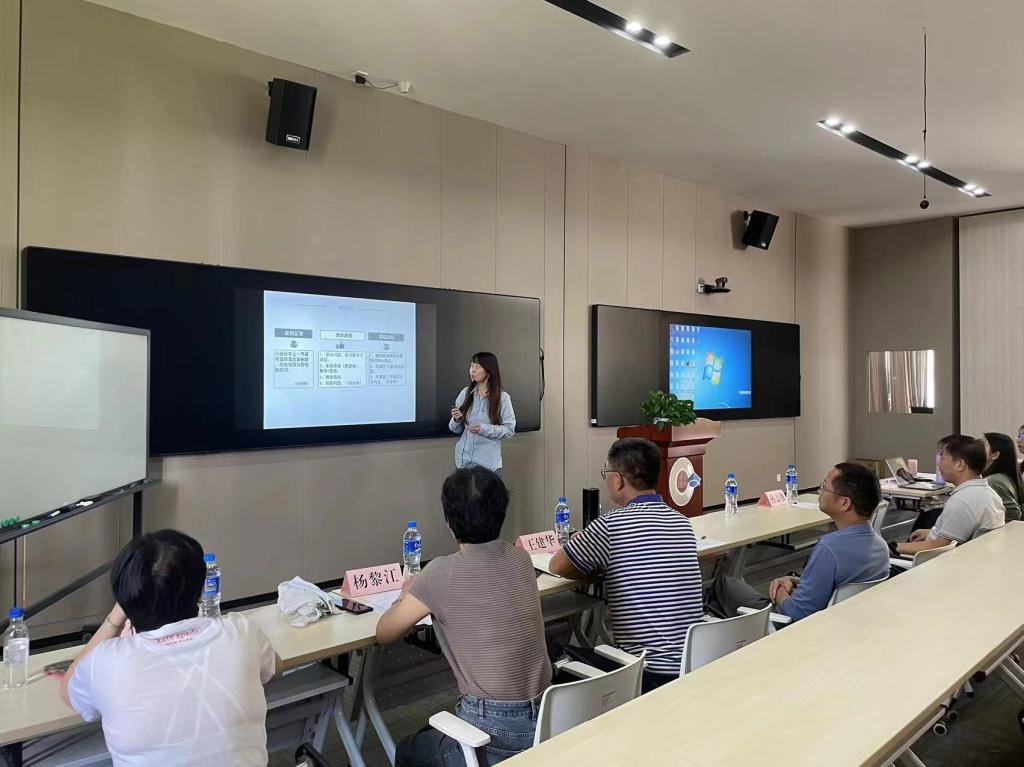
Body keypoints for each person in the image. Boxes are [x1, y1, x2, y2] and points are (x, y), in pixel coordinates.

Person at [59, 530, 279, 766]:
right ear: (201, 591)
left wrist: (115, 617)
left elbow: (68, 692)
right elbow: (274, 671)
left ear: (124, 595)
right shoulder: (241, 632)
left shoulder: (104, 662)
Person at [379, 467, 551, 766]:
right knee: (428, 736)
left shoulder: (440, 572)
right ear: (502, 512)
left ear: (448, 521)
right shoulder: (521, 558)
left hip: (492, 733)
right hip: (548, 717)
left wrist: (406, 593)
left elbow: (385, 632)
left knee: (407, 752)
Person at [549, 438, 703, 691]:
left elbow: (557, 566)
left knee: (555, 653)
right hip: (691, 666)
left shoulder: (611, 525)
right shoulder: (681, 522)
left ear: (618, 480)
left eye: (607, 473)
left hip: (645, 674)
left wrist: (591, 555)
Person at [706, 463, 891, 622]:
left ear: (844, 503)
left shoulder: (829, 549)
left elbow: (796, 613)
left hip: (790, 625)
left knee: (724, 585)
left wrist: (780, 590)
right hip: (842, 621)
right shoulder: (880, 546)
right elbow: (840, 585)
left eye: (824, 486)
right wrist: (798, 582)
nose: (819, 491)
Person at [892, 434, 1005, 557]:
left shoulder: (962, 500)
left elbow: (938, 547)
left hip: (938, 563)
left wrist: (893, 547)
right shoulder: (990, 494)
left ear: (960, 465)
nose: (939, 464)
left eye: (942, 457)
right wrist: (931, 532)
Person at [449, 352, 515, 476]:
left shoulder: (503, 398)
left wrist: (484, 429)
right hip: (463, 463)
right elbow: (455, 429)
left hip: (487, 467)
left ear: (489, 371)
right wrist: (456, 420)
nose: (472, 370)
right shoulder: (465, 393)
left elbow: (510, 430)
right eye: (471, 366)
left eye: (477, 367)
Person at [982, 432, 1023, 522]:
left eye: (983, 446)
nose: (977, 449)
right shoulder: (1005, 476)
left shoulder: (993, 481)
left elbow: (1013, 517)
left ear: (995, 455)